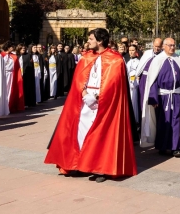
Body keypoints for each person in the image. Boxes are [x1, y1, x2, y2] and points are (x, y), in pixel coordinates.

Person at [45, 28, 137, 182]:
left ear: (100, 41)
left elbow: (114, 85)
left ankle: (100, 168)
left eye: (91, 39)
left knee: (101, 134)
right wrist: (84, 94)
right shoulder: (85, 58)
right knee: (81, 132)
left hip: (104, 104)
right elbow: (77, 81)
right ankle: (81, 164)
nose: (88, 42)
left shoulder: (116, 60)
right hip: (84, 102)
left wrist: (98, 97)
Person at [140, 38, 180, 156]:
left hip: (175, 95)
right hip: (162, 97)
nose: (172, 47)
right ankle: (162, 146)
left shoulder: (179, 59)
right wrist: (153, 98)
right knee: (163, 122)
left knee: (176, 121)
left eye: (174, 45)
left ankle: (175, 147)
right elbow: (152, 80)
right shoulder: (157, 60)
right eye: (170, 45)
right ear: (164, 46)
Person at [2, 42, 24, 113]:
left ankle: (9, 105)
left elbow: (17, 68)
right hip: (3, 75)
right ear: (8, 47)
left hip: (11, 75)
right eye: (11, 47)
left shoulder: (14, 56)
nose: (13, 48)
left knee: (10, 90)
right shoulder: (1, 55)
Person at [126, 44, 141, 123]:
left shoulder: (139, 62)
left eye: (133, 50)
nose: (131, 52)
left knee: (134, 102)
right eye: (130, 50)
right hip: (129, 84)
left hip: (135, 85)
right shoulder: (128, 62)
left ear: (136, 51)